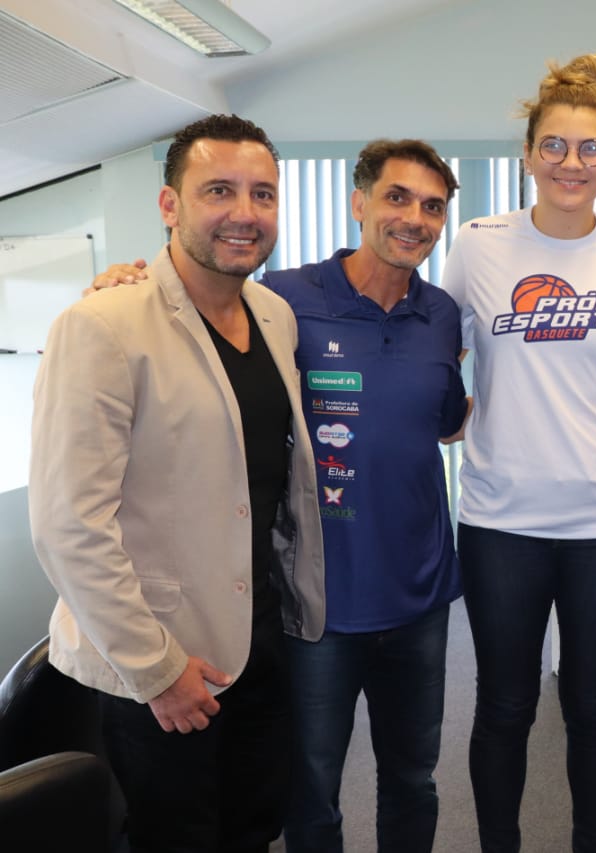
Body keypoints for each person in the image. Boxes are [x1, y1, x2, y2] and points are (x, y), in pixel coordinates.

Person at [92, 139, 469, 853]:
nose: (414, 218)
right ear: (358, 203)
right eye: (397, 197)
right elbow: (188, 300)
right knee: (311, 789)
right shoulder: (284, 299)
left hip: (421, 599)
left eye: (432, 206)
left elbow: (447, 420)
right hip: (317, 604)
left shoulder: (442, 313)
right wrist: (125, 283)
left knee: (415, 779)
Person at [28, 114, 325, 853]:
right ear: (171, 206)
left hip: (254, 639)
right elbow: (69, 524)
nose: (244, 213)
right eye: (218, 190)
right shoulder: (103, 324)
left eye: (262, 194)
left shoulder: (274, 316)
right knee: (177, 838)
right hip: (159, 657)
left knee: (254, 824)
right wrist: (157, 669)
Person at [439, 53, 596, 852]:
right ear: (528, 154)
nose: (571, 163)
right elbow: (434, 360)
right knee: (504, 706)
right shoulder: (477, 245)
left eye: (589, 149)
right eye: (554, 146)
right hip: (501, 517)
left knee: (594, 706)